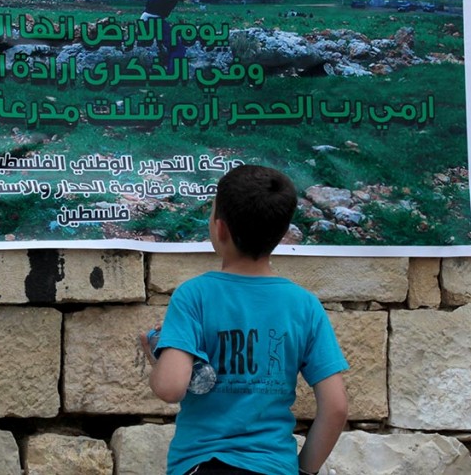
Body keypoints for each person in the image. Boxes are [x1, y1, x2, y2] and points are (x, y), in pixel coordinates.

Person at [140, 165, 348, 475]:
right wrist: (303, 470)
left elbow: (170, 388)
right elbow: (336, 407)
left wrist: (155, 356)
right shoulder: (305, 306)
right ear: (283, 232)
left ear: (219, 228)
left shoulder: (194, 296)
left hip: (204, 465)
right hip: (275, 467)